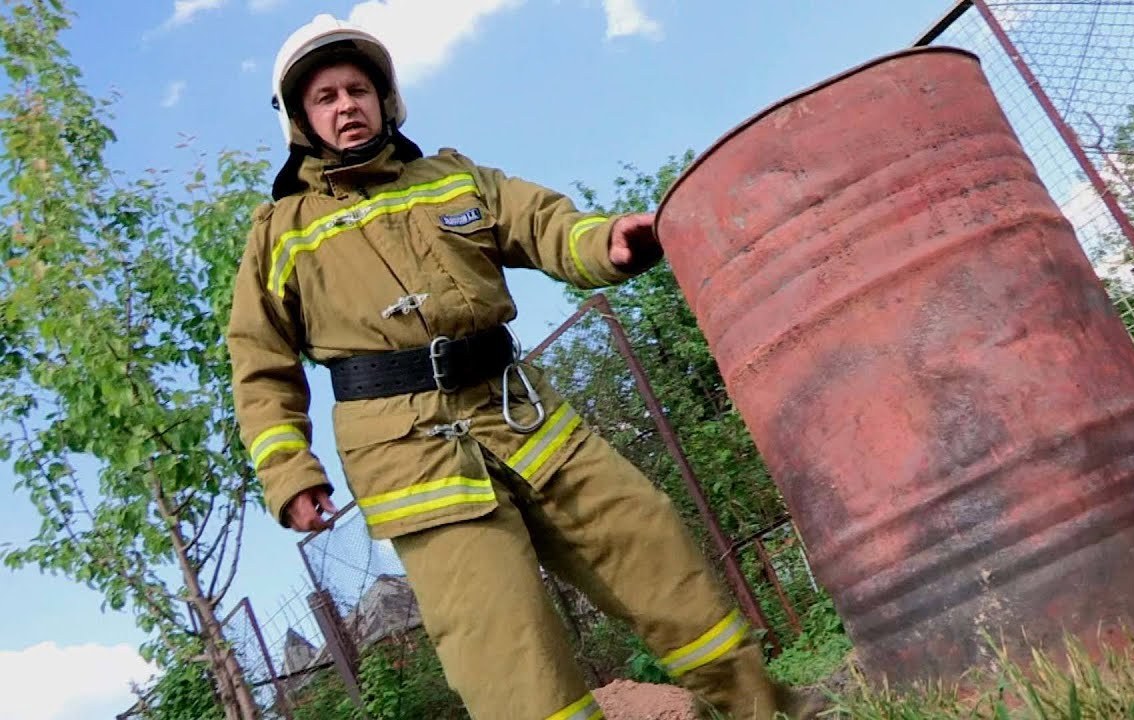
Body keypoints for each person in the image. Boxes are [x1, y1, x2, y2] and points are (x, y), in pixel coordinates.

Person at [227, 14, 821, 720]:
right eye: (325, 98)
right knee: (506, 649)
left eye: (358, 90)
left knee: (650, 546)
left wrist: (606, 242)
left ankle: (766, 710)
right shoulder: (280, 234)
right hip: (408, 455)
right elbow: (258, 361)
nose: (346, 106)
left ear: (385, 100)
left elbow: (545, 223)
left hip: (520, 411)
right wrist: (288, 471)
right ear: (301, 119)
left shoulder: (453, 178)